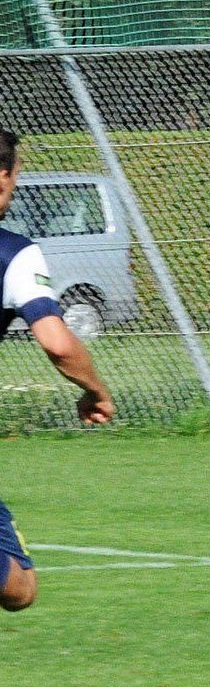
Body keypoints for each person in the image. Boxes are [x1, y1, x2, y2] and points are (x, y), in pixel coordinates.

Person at [0, 130, 115, 611]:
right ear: (2, 177)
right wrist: (96, 391)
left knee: (18, 588)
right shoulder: (13, 252)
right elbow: (57, 342)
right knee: (20, 588)